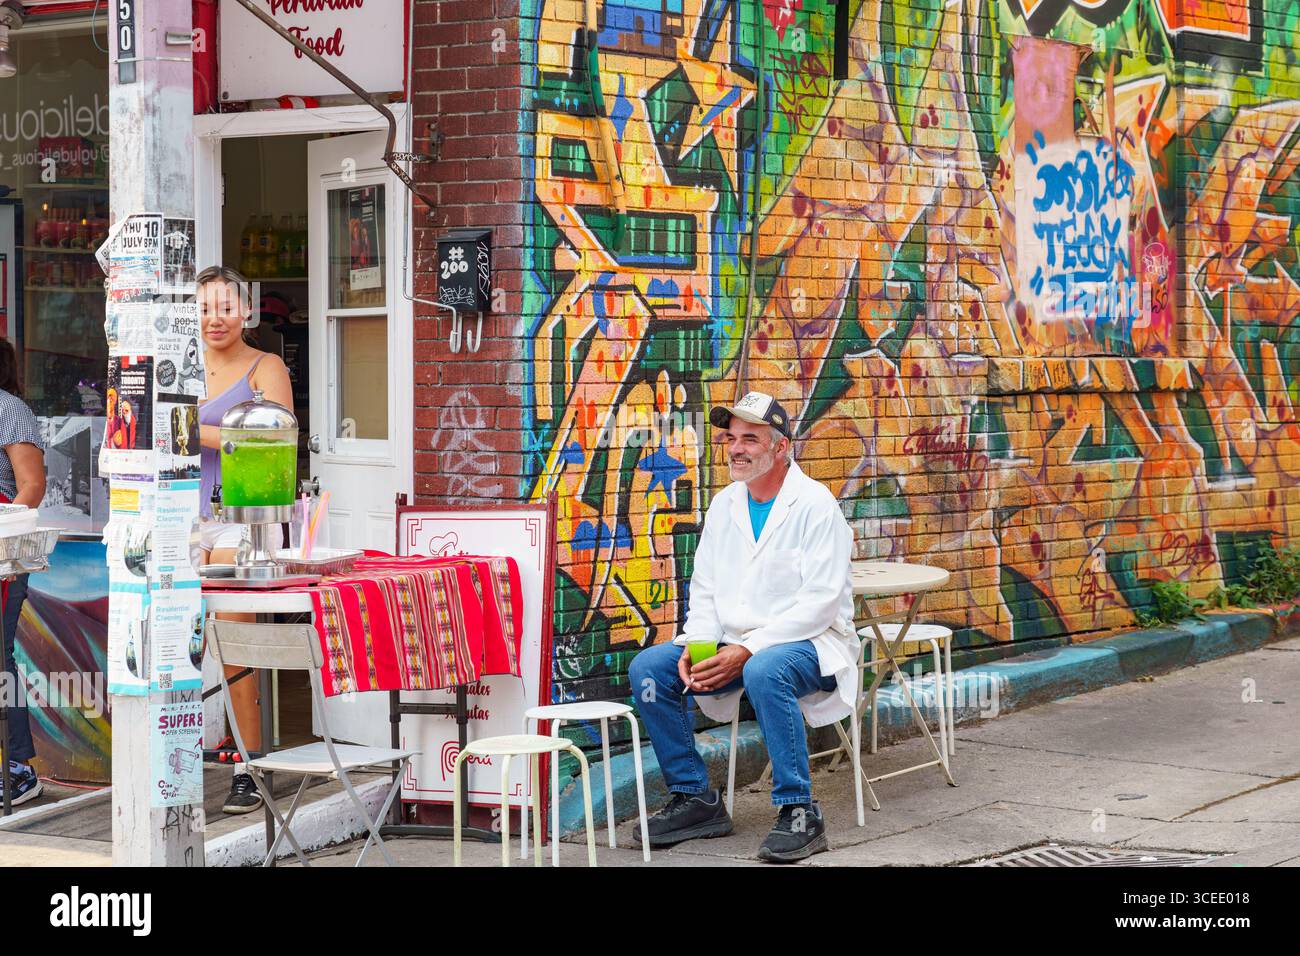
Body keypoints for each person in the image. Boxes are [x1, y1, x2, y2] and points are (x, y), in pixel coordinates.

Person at [628, 390, 858, 863]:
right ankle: (694, 798)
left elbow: (819, 604)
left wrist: (748, 649)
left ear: (780, 447)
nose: (735, 448)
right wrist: (696, 643)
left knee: (765, 670)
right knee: (650, 670)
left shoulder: (816, 506)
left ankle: (800, 810)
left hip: (810, 644)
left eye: (750, 438)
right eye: (730, 438)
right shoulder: (724, 506)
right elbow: (707, 588)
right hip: (737, 644)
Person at [195, 265, 293, 815]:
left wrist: (192, 429)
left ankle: (251, 765)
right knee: (180, 639)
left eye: (225, 307)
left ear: (246, 312)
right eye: (205, 308)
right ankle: (174, 752)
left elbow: (269, 433)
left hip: (243, 517)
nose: (215, 319)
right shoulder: (179, 364)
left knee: (236, 646)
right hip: (181, 515)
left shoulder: (265, 366)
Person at [0, 340, 47, 805]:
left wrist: (2, 536)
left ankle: (18, 768)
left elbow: (32, 484)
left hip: (2, 553)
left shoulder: (8, 409)